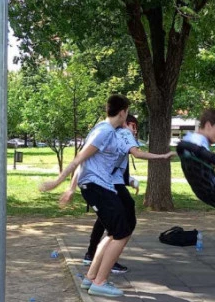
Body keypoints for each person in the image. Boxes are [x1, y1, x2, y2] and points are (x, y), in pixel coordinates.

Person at [42, 95, 172, 297]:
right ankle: (100, 282)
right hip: (96, 187)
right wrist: (60, 183)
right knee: (122, 232)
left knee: (114, 233)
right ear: (123, 112)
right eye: (127, 112)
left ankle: (91, 277)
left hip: (102, 187)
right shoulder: (104, 131)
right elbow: (79, 159)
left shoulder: (107, 130)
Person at [73, 115, 171, 275]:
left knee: (110, 223)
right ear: (128, 123)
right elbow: (136, 153)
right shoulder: (121, 133)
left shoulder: (111, 135)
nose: (135, 131)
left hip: (107, 183)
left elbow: (110, 164)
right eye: (134, 127)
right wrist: (162, 156)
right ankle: (103, 264)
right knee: (122, 227)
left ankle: (92, 260)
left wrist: (129, 180)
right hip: (104, 185)